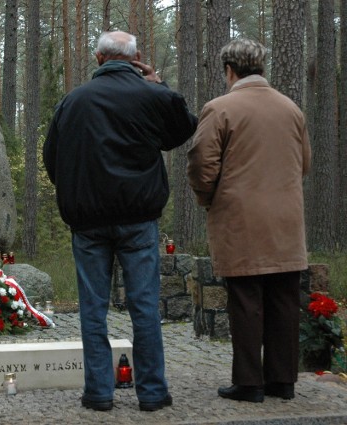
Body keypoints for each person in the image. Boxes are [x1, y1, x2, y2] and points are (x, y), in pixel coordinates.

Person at [43, 30, 198, 412]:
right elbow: (184, 128)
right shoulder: (153, 96)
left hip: (88, 222)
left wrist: (78, 193)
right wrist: (159, 84)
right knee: (144, 305)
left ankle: (98, 392)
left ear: (98, 59)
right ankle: (152, 392)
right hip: (138, 219)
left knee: (92, 308)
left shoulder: (73, 102)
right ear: (136, 58)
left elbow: (52, 159)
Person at [187, 38, 311, 403]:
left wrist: (208, 199)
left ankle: (249, 383)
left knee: (245, 301)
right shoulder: (291, 109)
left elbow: (200, 164)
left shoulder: (220, 108)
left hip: (240, 219)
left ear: (229, 69)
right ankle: (283, 381)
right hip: (286, 221)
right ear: (261, 67)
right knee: (285, 302)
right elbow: (304, 163)